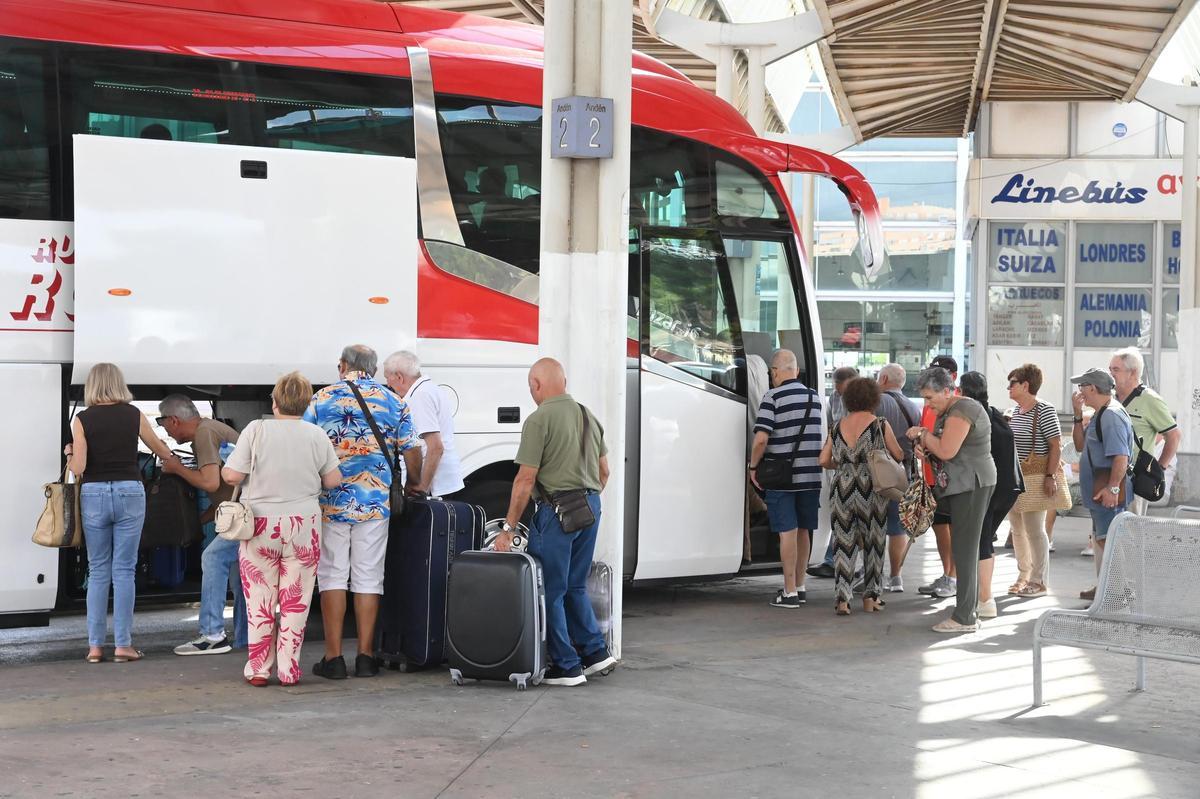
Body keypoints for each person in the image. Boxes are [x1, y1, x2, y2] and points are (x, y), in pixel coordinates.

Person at [493, 358, 616, 687]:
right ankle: (595, 652)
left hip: (557, 512)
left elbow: (525, 479)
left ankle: (567, 667)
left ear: (536, 384)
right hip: (590, 507)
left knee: (550, 590)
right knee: (575, 585)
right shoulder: (587, 415)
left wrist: (507, 530)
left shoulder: (539, 419)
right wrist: (585, 499)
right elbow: (604, 472)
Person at [305, 344, 422, 679]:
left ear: (342, 365)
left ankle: (334, 658)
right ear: (372, 369)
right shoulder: (393, 400)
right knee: (369, 578)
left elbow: (305, 442)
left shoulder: (322, 399)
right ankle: (367, 657)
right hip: (375, 503)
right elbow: (412, 450)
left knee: (332, 576)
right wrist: (414, 483)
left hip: (331, 502)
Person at [221, 372, 343, 686]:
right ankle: (289, 670)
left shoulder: (256, 430)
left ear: (274, 402)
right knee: (296, 600)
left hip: (260, 525)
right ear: (306, 404)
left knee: (260, 598)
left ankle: (259, 669)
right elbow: (332, 481)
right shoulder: (316, 434)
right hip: (304, 525)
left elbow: (232, 476)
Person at [65, 363, 178, 663]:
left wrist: (68, 454)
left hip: (94, 494)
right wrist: (168, 453)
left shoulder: (83, 419)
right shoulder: (133, 414)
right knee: (124, 570)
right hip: (129, 491)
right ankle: (123, 645)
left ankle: (94, 648)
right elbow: (160, 450)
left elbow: (78, 468)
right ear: (118, 384)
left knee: (98, 569)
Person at [907, 367, 996, 633]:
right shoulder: (951, 410)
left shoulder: (963, 410)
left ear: (948, 390)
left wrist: (923, 435)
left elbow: (947, 449)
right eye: (924, 398)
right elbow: (944, 448)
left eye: (930, 397)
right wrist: (927, 445)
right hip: (965, 484)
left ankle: (965, 617)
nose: (927, 403)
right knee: (964, 549)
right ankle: (968, 610)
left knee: (965, 551)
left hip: (971, 485)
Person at [158, 395, 244, 656]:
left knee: (212, 558)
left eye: (164, 426)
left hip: (244, 515)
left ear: (174, 420)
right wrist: (195, 524)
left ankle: (212, 635)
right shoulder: (212, 428)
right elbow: (222, 495)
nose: (168, 432)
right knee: (240, 578)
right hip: (243, 511)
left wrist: (176, 468)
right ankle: (246, 639)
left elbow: (210, 484)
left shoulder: (204, 433)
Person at [818, 377, 903, 615]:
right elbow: (897, 454)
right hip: (872, 490)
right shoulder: (879, 425)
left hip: (842, 490)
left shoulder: (837, 426)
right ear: (873, 398)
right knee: (874, 543)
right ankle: (871, 598)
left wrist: (845, 465)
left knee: (843, 543)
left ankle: (842, 599)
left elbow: (823, 460)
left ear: (848, 399)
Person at [749, 349, 823, 608]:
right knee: (804, 531)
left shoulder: (772, 397)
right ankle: (800, 587)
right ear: (797, 371)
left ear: (775, 372)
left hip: (782, 478)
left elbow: (761, 439)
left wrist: (753, 466)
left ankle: (789, 591)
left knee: (787, 533)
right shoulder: (814, 398)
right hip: (811, 476)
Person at [959, 371, 1020, 620]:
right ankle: (979, 595)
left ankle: (985, 600)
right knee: (982, 539)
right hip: (1009, 488)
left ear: (962, 391)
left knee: (981, 542)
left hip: (989, 487)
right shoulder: (995, 413)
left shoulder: (971, 416)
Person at [1071, 368, 1133, 602]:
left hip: (1107, 489)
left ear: (1093, 388)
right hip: (1102, 489)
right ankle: (1108, 588)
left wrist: (1113, 488)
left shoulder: (1111, 416)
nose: (1080, 393)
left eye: (1082, 387)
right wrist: (1077, 415)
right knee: (1104, 540)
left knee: (1110, 542)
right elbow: (1079, 445)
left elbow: (1121, 456)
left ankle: (1116, 593)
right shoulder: (1102, 413)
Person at [1004, 363, 1062, 599]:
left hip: (1036, 476)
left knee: (1034, 530)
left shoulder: (1044, 410)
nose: (1008, 387)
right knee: (1017, 528)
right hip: (1016, 477)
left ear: (1025, 385)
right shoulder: (1015, 411)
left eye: (1012, 383)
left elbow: (1056, 444)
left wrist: (1049, 476)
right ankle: (1024, 575)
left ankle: (1039, 580)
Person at [382, 350, 465, 498]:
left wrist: (421, 489)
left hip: (436, 485)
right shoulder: (430, 388)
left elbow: (436, 447)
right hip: (445, 480)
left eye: (387, 378)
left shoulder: (419, 397)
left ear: (399, 377)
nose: (387, 384)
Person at [1109, 346, 1180, 515]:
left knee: (1129, 533)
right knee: (1104, 533)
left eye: (1116, 369)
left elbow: (1174, 435)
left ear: (1132, 373)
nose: (1110, 374)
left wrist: (1159, 469)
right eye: (1110, 369)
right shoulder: (1110, 398)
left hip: (1134, 479)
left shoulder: (1150, 400)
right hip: (1108, 476)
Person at [807, 365, 860, 579]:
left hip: (855, 466)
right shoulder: (835, 399)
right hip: (840, 464)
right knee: (841, 513)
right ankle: (835, 560)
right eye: (836, 387)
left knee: (849, 514)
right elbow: (830, 426)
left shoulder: (864, 401)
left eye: (842, 387)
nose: (839, 392)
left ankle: (838, 561)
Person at [917, 355, 960, 600]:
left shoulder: (958, 405)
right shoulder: (929, 403)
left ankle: (954, 577)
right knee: (940, 528)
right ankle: (947, 574)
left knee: (954, 530)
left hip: (950, 479)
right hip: (932, 476)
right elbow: (925, 433)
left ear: (951, 378)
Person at [876, 363, 920, 592]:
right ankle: (896, 577)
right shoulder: (913, 406)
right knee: (897, 528)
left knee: (873, 525)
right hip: (904, 473)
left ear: (883, 378)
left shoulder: (877, 403)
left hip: (878, 473)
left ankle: (874, 574)